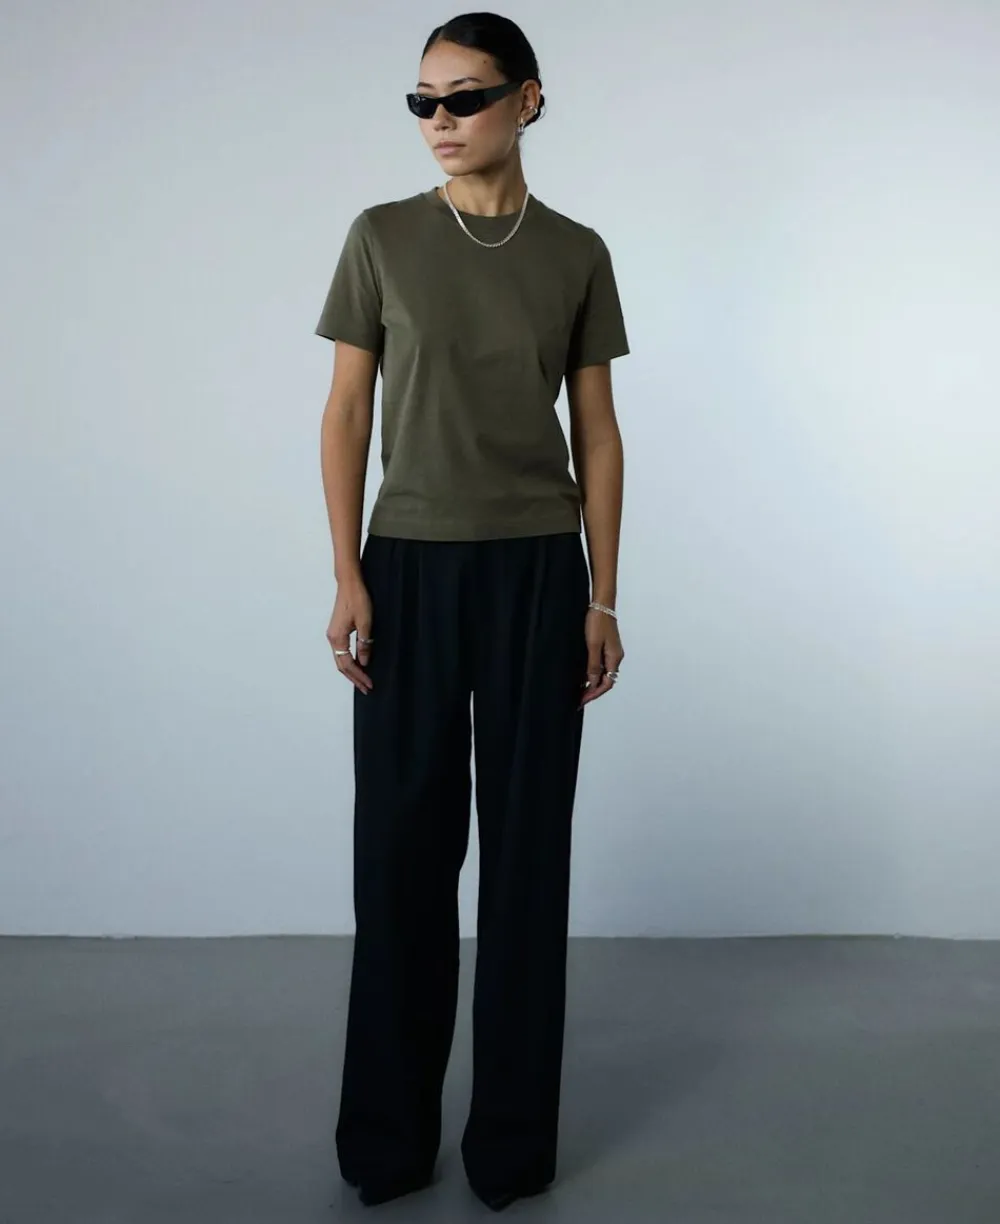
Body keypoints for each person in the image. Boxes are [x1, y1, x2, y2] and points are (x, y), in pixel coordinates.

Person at [315, 11, 629, 1213]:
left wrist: (602, 593)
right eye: (422, 101)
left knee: (526, 858)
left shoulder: (577, 252)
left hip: (539, 573)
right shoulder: (382, 236)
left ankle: (509, 1148)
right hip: (408, 567)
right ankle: (387, 1142)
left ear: (527, 100)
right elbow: (347, 412)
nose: (438, 121)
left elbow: (595, 431)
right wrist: (348, 573)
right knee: (400, 855)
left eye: (464, 97)